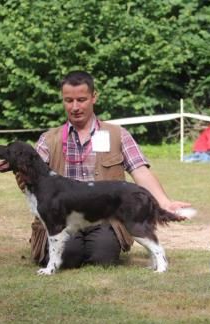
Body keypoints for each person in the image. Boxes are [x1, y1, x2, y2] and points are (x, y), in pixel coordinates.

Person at [18, 70, 190, 269]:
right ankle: (65, 250)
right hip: (62, 218)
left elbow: (140, 170)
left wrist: (164, 202)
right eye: (68, 100)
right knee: (69, 256)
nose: (75, 107)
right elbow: (32, 178)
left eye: (81, 99)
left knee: (103, 256)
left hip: (104, 218)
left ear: (94, 97)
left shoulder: (118, 134)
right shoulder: (48, 139)